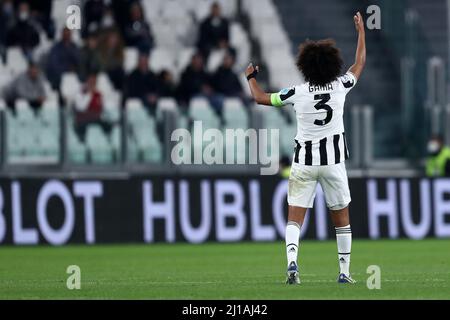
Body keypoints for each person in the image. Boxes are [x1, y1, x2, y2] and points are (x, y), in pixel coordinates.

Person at [245, 12, 366, 284]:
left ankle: (292, 264)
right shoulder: (340, 86)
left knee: (295, 217)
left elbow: (260, 98)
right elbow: (359, 64)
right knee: (342, 219)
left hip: (304, 162)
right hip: (334, 162)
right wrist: (361, 33)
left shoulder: (297, 92)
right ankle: (345, 273)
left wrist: (251, 77)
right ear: (333, 64)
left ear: (306, 66)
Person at [73, 73, 111, 141]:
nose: (92, 84)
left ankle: (108, 141)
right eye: (90, 82)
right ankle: (82, 143)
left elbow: (102, 107)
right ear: (87, 82)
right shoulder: (80, 93)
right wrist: (89, 94)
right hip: (83, 119)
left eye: (94, 82)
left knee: (108, 125)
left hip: (95, 118)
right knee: (81, 127)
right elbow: (81, 107)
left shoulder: (98, 94)